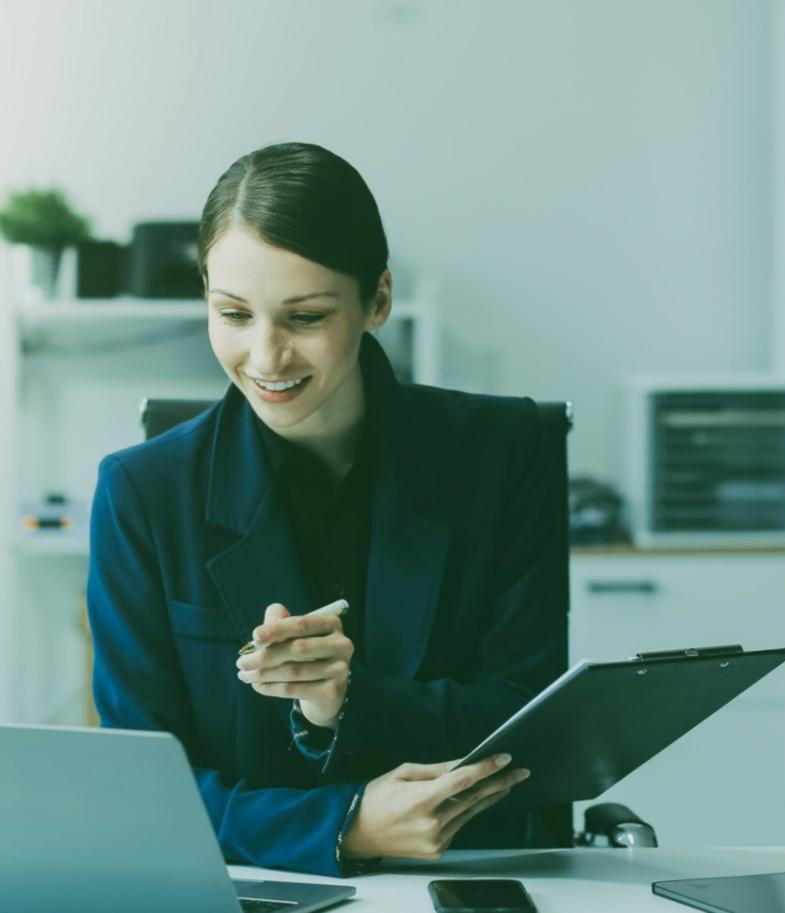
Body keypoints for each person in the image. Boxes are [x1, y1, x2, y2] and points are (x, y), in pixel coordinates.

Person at [86, 141, 567, 877]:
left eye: (305, 317)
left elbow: (529, 716)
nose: (266, 356)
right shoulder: (141, 492)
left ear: (378, 300)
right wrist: (346, 824)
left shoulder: (505, 453)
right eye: (232, 313)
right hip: (251, 885)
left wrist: (348, 702)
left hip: (473, 875)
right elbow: (139, 784)